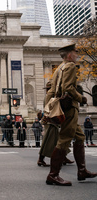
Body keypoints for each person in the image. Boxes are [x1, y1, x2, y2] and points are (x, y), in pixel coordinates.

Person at [45, 44, 97, 186]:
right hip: (69, 107)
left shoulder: (59, 69)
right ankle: (53, 175)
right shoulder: (70, 66)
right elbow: (68, 88)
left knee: (80, 136)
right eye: (75, 52)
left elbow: (52, 89)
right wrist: (81, 98)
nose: (77, 54)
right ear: (69, 55)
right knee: (65, 139)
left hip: (62, 107)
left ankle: (82, 170)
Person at [38, 82, 74, 167]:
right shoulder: (50, 97)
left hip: (52, 121)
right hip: (51, 122)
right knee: (49, 142)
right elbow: (50, 109)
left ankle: (63, 157)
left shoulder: (50, 97)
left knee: (58, 141)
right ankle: (41, 159)